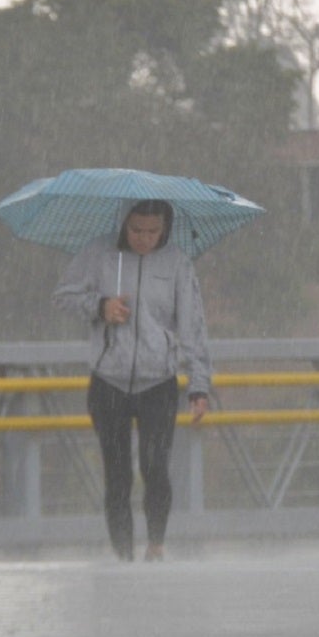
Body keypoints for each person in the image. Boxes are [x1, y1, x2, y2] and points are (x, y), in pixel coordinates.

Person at [53, 199, 212, 562]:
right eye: (137, 230)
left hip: (158, 382)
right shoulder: (99, 254)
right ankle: (123, 553)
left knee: (155, 466)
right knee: (118, 473)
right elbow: (63, 296)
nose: (144, 238)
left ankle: (156, 544)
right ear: (124, 224)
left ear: (165, 228)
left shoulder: (177, 264)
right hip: (108, 381)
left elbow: (193, 327)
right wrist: (100, 306)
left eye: (153, 231)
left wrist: (199, 385)